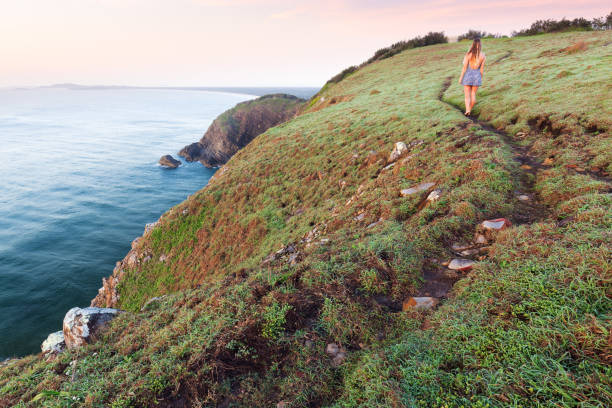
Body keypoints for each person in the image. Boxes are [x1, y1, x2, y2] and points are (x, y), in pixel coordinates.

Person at [458, 38, 486, 116]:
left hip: (468, 75)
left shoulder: (468, 54)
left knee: (467, 96)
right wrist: (480, 78)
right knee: (473, 94)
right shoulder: (483, 55)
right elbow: (481, 69)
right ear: (480, 45)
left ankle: (467, 110)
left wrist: (461, 78)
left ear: (472, 45)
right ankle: (469, 109)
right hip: (477, 75)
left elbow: (464, 68)